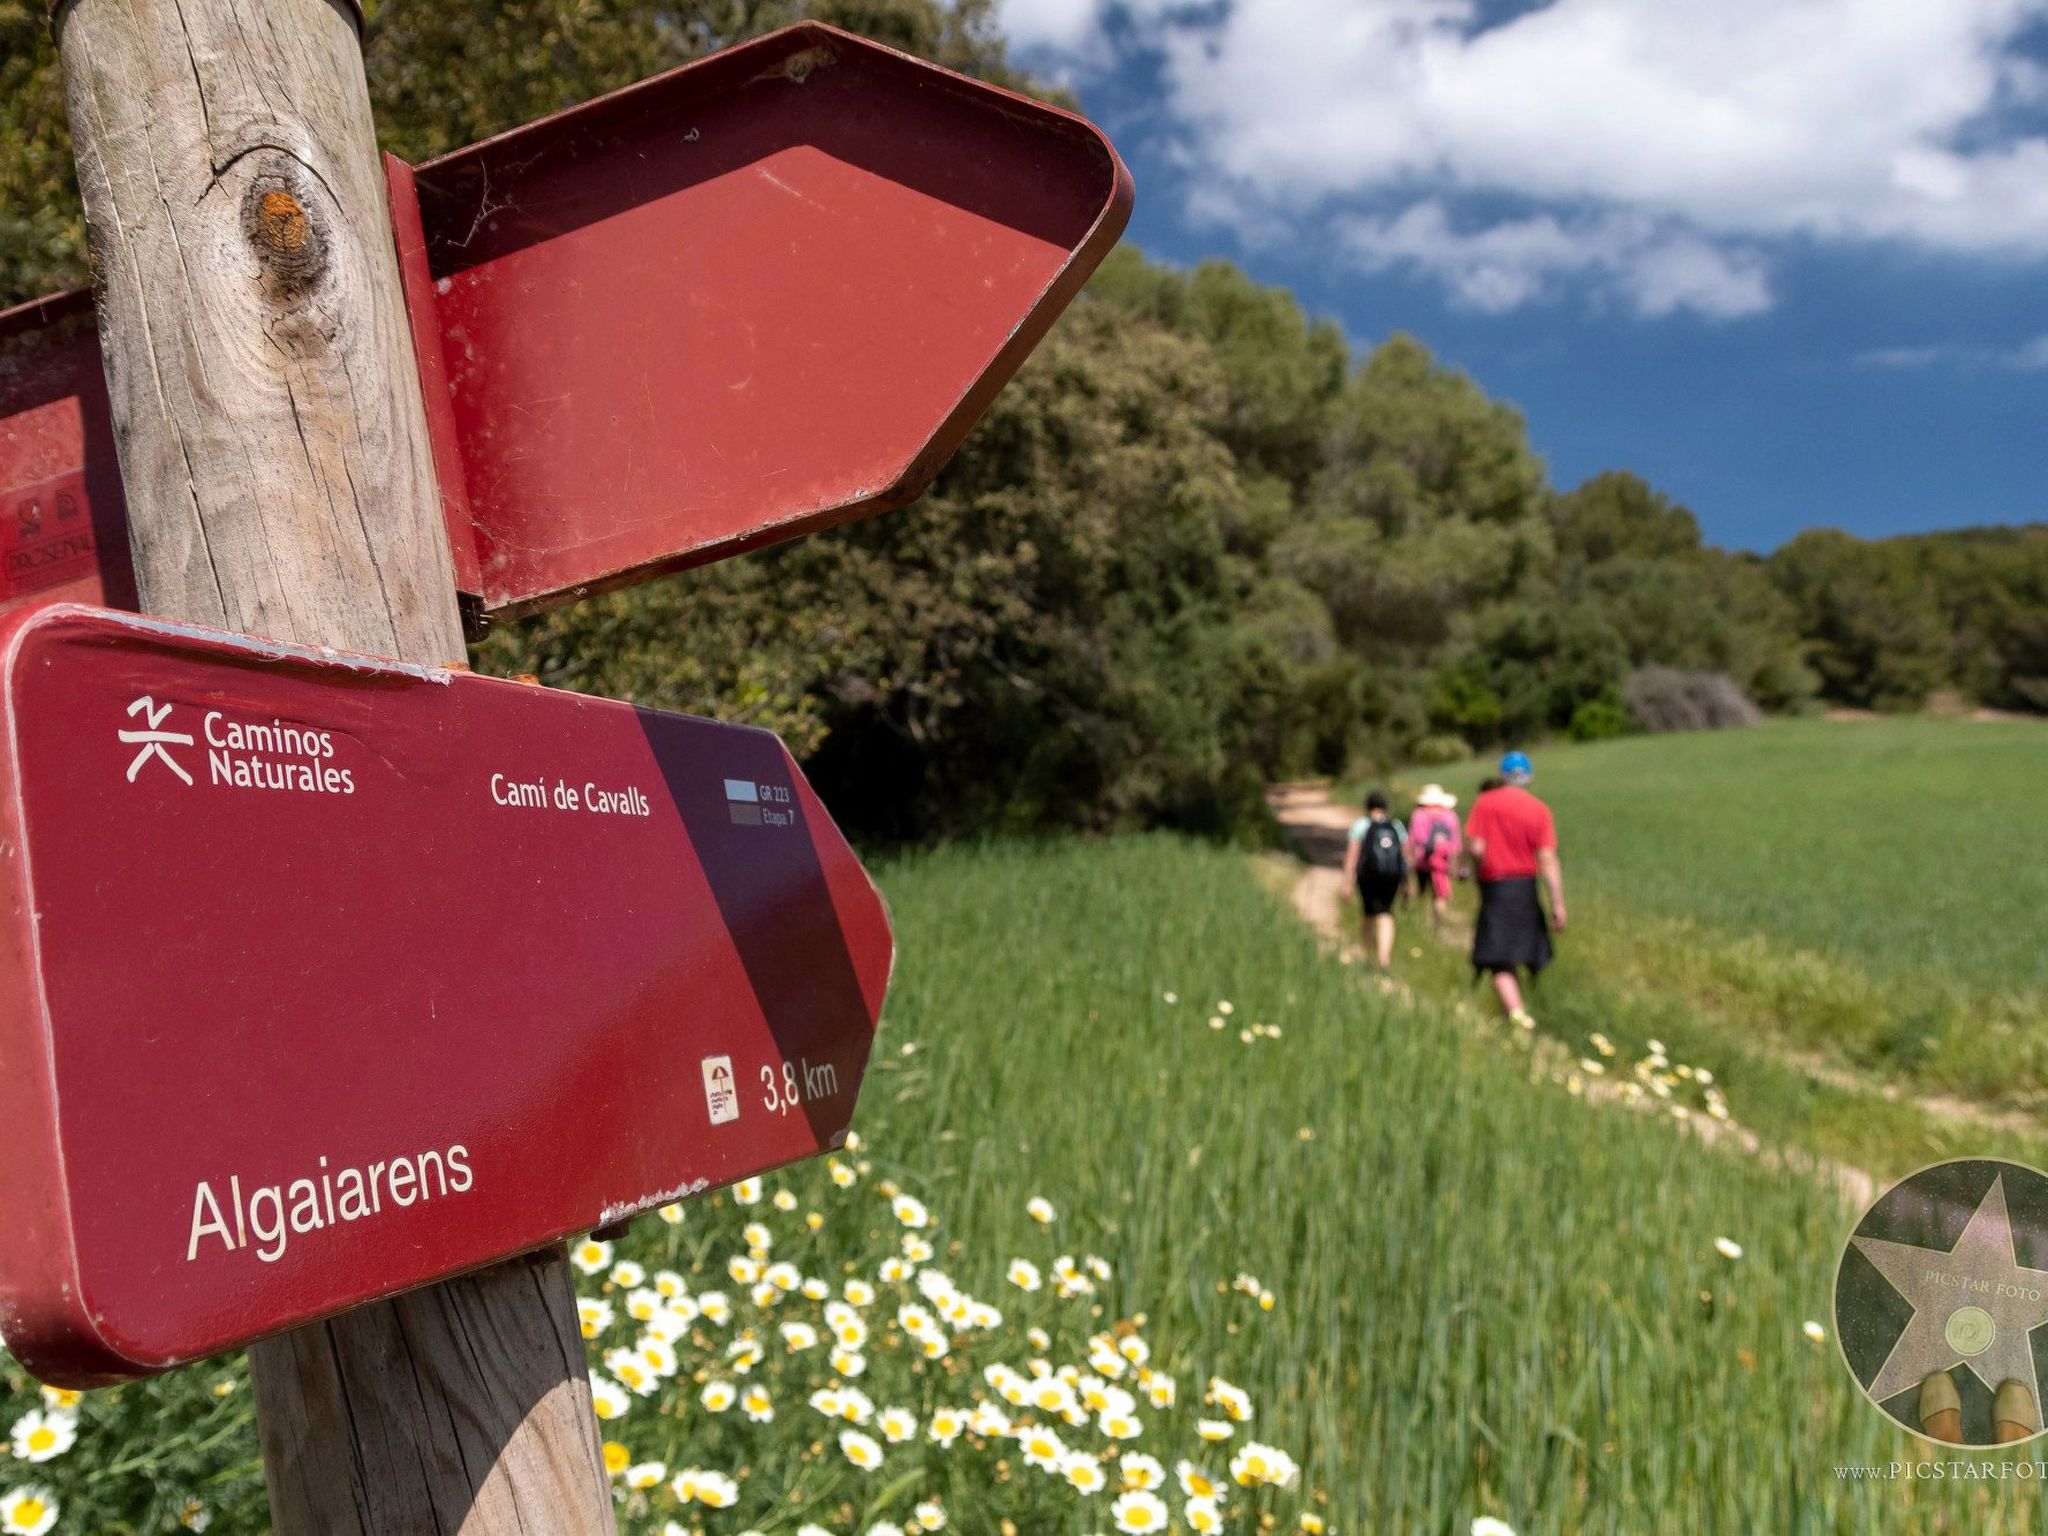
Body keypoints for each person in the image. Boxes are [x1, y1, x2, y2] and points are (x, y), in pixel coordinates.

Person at [1463, 751, 1566, 1027]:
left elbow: (1476, 847)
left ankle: (1516, 1014)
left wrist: (1475, 872)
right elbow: (1547, 858)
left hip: (1496, 886)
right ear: (1528, 776)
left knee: (1497, 956)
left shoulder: (1485, 803)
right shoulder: (1539, 810)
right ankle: (1510, 1015)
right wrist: (1557, 903)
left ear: (1502, 774)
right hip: (1525, 889)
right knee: (1517, 951)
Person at [1341, 790, 1407, 972]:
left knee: (1369, 913)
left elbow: (1352, 857)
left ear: (1368, 807)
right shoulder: (1397, 826)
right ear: (1386, 807)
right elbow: (1405, 856)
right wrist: (1407, 884)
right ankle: (1383, 959)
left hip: (1368, 877)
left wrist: (1347, 882)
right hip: (1392, 877)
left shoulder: (1361, 825)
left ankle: (1365, 954)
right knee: (1386, 913)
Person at [1405, 784, 1462, 935]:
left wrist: (1407, 862)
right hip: (1442, 862)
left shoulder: (1419, 815)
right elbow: (1456, 844)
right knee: (1440, 895)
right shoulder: (1451, 816)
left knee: (1421, 892)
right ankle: (1437, 925)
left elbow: (1412, 841)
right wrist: (1454, 866)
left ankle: (1420, 924)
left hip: (1422, 860)